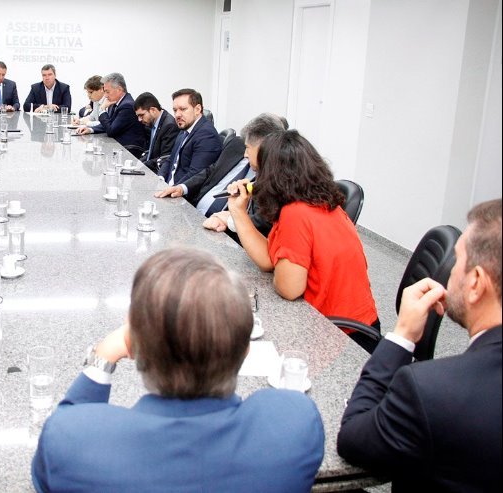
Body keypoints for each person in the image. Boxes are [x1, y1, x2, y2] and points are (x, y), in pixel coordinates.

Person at [32, 248, 325, 492]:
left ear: (131, 345)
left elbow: (72, 422)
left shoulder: (69, 441)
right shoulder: (294, 424)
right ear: (246, 350)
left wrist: (103, 357)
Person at [338, 198, 502, 492]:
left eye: (457, 260)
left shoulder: (430, 390)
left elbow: (352, 439)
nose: (451, 273)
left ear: (476, 283)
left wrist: (401, 334)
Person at [227, 130, 378, 333]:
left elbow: (289, 288)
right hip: (360, 322)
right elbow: (269, 260)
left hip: (344, 334)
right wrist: (238, 212)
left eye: (260, 172)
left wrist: (281, 271)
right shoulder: (319, 201)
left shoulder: (295, 214)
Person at [157, 88, 222, 186]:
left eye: (183, 109)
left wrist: (170, 190)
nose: (177, 115)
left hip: (180, 192)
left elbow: (195, 176)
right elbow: (171, 159)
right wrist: (160, 178)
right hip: (167, 185)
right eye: (175, 110)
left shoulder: (207, 135)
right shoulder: (185, 128)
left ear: (197, 109)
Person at [76, 72, 147, 149]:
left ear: (119, 89)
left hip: (129, 149)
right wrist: (90, 129)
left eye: (107, 92)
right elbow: (108, 124)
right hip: (117, 145)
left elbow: (111, 130)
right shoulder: (116, 102)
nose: (105, 95)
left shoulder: (127, 106)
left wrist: (102, 110)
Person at [134, 92, 178, 171]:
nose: (139, 119)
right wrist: (138, 163)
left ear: (153, 110)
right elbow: (152, 152)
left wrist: (142, 166)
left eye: (141, 115)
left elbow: (165, 159)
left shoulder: (169, 126)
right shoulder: (153, 123)